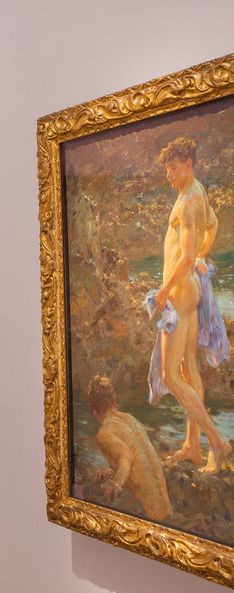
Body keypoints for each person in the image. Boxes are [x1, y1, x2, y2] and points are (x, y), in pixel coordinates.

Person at [147, 137, 231, 474]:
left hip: (180, 295)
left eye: (173, 168)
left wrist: (163, 292)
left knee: (169, 375)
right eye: (167, 168)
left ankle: (217, 441)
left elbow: (183, 257)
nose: (169, 174)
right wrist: (202, 255)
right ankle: (191, 447)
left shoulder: (186, 202)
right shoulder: (196, 193)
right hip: (190, 291)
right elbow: (213, 223)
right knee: (188, 370)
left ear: (189, 164)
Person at [87, 375, 172, 520]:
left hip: (150, 515)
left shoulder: (104, 432)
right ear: (114, 403)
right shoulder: (131, 420)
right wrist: (113, 472)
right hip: (166, 510)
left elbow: (126, 458)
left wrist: (115, 484)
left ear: (93, 411)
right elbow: (138, 461)